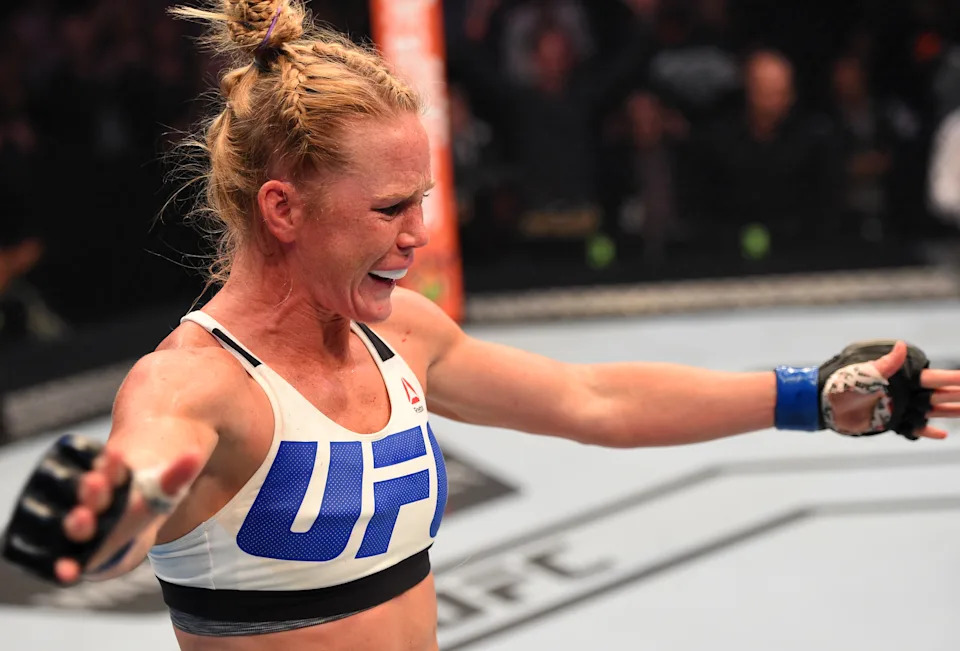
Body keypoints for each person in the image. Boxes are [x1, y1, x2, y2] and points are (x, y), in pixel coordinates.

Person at [2, 3, 960, 651]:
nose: (418, 236)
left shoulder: (400, 335)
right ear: (284, 209)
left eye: (422, 200)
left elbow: (595, 398)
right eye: (388, 210)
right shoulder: (194, 382)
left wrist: (815, 399)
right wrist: (99, 512)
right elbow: (138, 484)